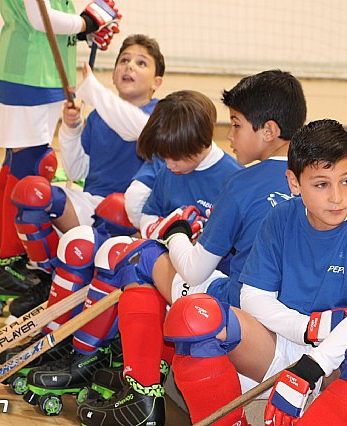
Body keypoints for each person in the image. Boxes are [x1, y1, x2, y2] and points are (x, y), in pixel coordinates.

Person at [75, 69, 307, 425]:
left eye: (236, 124)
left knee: (139, 256)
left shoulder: (241, 181)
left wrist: (177, 231)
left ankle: (142, 392)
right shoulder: (318, 179)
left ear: (269, 131)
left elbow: (194, 269)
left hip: (245, 320)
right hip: (300, 332)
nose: (228, 135)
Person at [161, 119, 347, 425]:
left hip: (335, 359)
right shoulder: (279, 219)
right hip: (278, 342)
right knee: (194, 316)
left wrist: (314, 364)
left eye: (346, 181)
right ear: (294, 183)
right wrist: (305, 329)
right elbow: (253, 297)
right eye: (321, 184)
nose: (337, 197)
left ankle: (325, 412)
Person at [25, 90, 242, 421]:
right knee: (113, 251)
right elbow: (150, 215)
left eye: (174, 160)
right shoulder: (172, 165)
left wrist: (182, 238)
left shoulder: (231, 178)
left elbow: (227, 254)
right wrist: (163, 230)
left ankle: (91, 358)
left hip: (203, 284)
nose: (168, 167)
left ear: (199, 143)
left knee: (122, 254)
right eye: (163, 160)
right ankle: (80, 350)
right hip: (164, 267)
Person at [5, 34, 165, 319]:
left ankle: (82, 285)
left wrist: (92, 89)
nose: (129, 67)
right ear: (114, 74)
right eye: (124, 61)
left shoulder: (160, 117)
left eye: (141, 63)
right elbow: (77, 171)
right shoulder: (99, 116)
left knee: (113, 207)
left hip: (128, 217)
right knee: (32, 193)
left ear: (157, 82)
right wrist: (71, 128)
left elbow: (135, 128)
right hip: (90, 204)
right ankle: (47, 280)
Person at [0, 0, 120, 314]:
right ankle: (8, 265)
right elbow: (39, 18)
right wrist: (86, 23)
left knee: (17, 163)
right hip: (31, 71)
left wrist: (83, 31)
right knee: (32, 165)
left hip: (41, 70)